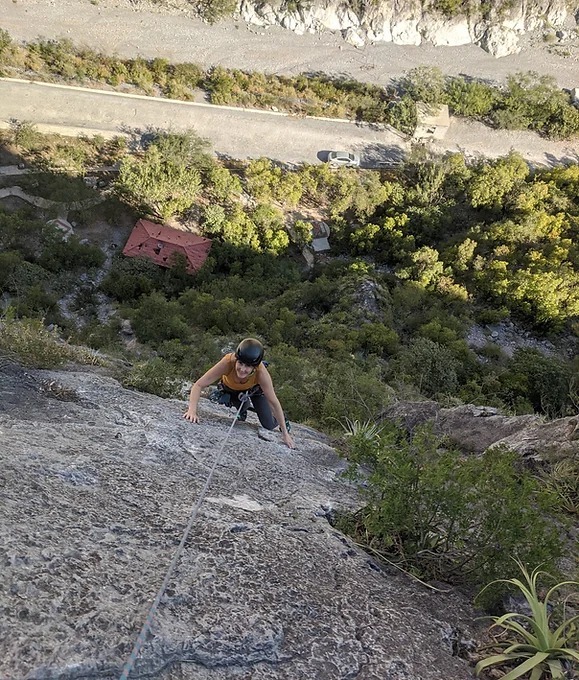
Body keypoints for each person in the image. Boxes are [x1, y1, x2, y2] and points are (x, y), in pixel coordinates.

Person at [184, 338, 295, 449]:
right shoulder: (227, 363)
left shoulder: (261, 373)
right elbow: (198, 385)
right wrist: (192, 411)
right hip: (230, 389)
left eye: (248, 366)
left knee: (268, 424)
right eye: (240, 363)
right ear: (236, 359)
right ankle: (243, 409)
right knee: (224, 399)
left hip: (254, 391)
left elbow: (273, 402)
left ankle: (282, 419)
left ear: (254, 367)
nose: (242, 369)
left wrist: (285, 433)